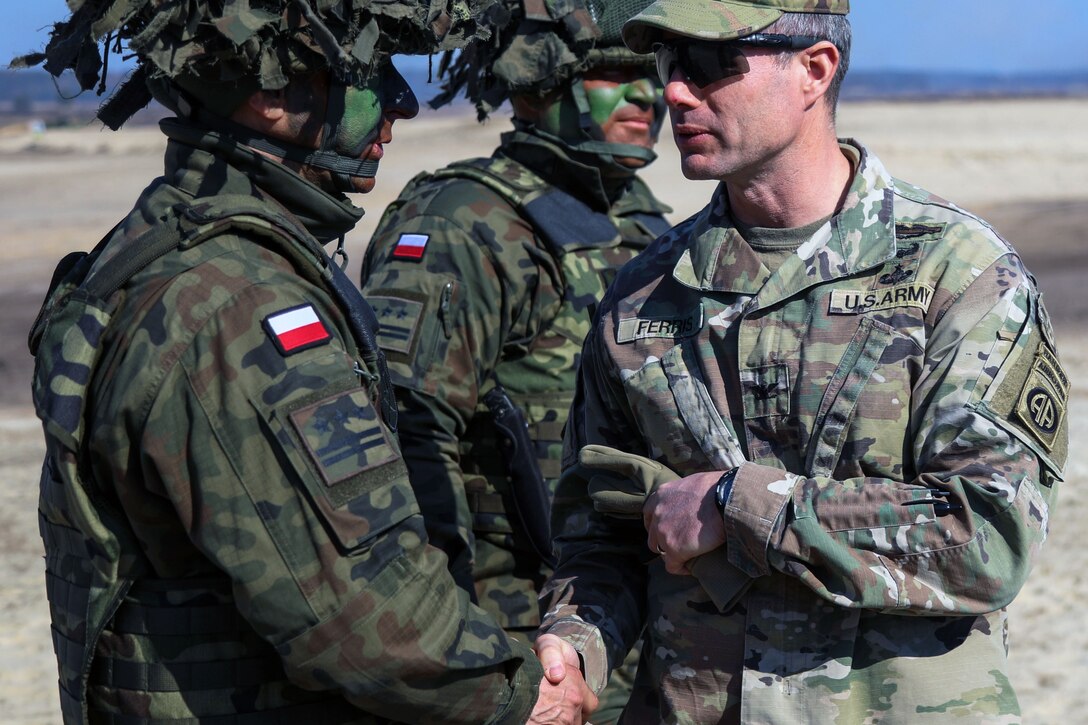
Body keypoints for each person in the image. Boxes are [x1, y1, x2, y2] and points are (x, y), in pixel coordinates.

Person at [19, 1, 595, 722]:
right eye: (370, 73)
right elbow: (367, 617)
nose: (403, 103)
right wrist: (516, 696)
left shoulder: (164, 246)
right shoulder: (235, 304)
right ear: (268, 97)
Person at [534, 0, 1068, 722]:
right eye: (667, 65)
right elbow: (601, 534)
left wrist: (740, 506)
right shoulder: (642, 297)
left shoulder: (959, 276)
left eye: (710, 63)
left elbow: (988, 537)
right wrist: (576, 649)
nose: (675, 92)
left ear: (815, 69)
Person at [358, 0, 670, 721]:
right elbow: (404, 438)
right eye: (613, 76)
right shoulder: (466, 220)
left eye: (651, 75)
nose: (646, 96)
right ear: (537, 86)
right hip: (513, 631)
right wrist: (454, 644)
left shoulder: (640, 213)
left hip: (623, 616)